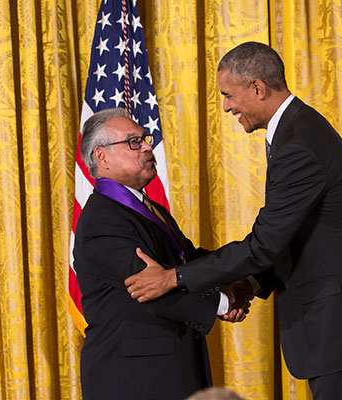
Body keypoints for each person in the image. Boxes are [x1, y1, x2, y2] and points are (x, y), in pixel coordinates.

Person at [125, 42, 342, 399]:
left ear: (258, 88)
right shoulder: (297, 128)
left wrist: (173, 277)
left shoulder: (297, 144)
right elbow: (299, 236)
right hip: (341, 322)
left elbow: (264, 244)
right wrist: (253, 283)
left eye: (228, 95)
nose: (226, 106)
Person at [73, 108, 248, 400]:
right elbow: (149, 289)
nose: (146, 147)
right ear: (101, 156)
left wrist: (249, 265)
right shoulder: (102, 218)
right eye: (133, 142)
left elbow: (190, 261)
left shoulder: (150, 209)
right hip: (133, 380)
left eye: (145, 139)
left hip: (168, 369)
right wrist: (223, 302)